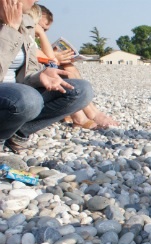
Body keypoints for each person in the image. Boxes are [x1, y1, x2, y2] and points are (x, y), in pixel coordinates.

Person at [1, 0, 93, 153]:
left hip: (15, 94)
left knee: (81, 90)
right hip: (10, 96)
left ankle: (17, 133)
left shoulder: (25, 22)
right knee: (29, 99)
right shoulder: (13, 24)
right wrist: (10, 29)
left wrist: (39, 76)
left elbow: (28, 71)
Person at [38, 5, 118, 129]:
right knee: (63, 72)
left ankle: (90, 112)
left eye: (45, 31)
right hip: (34, 77)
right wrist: (53, 58)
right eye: (41, 28)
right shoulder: (24, 35)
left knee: (69, 67)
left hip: (40, 71)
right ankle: (81, 116)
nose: (42, 33)